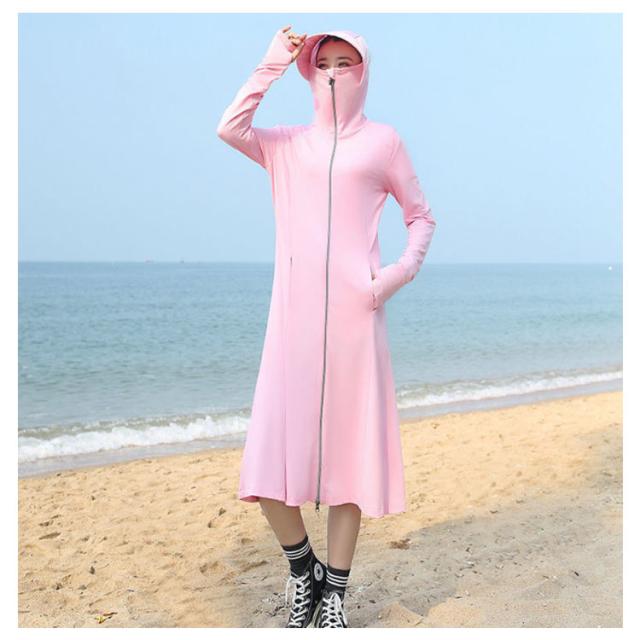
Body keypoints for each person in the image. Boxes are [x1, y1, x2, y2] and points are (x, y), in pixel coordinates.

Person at [217, 24, 436, 628]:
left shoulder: (384, 142)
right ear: (309, 72)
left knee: (348, 462)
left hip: (356, 317)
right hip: (291, 321)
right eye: (325, 63)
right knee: (267, 462)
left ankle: (334, 592)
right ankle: (303, 569)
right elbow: (230, 126)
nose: (335, 73)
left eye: (346, 62)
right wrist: (272, 61)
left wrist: (391, 277)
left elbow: (421, 217)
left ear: (363, 71)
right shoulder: (286, 145)